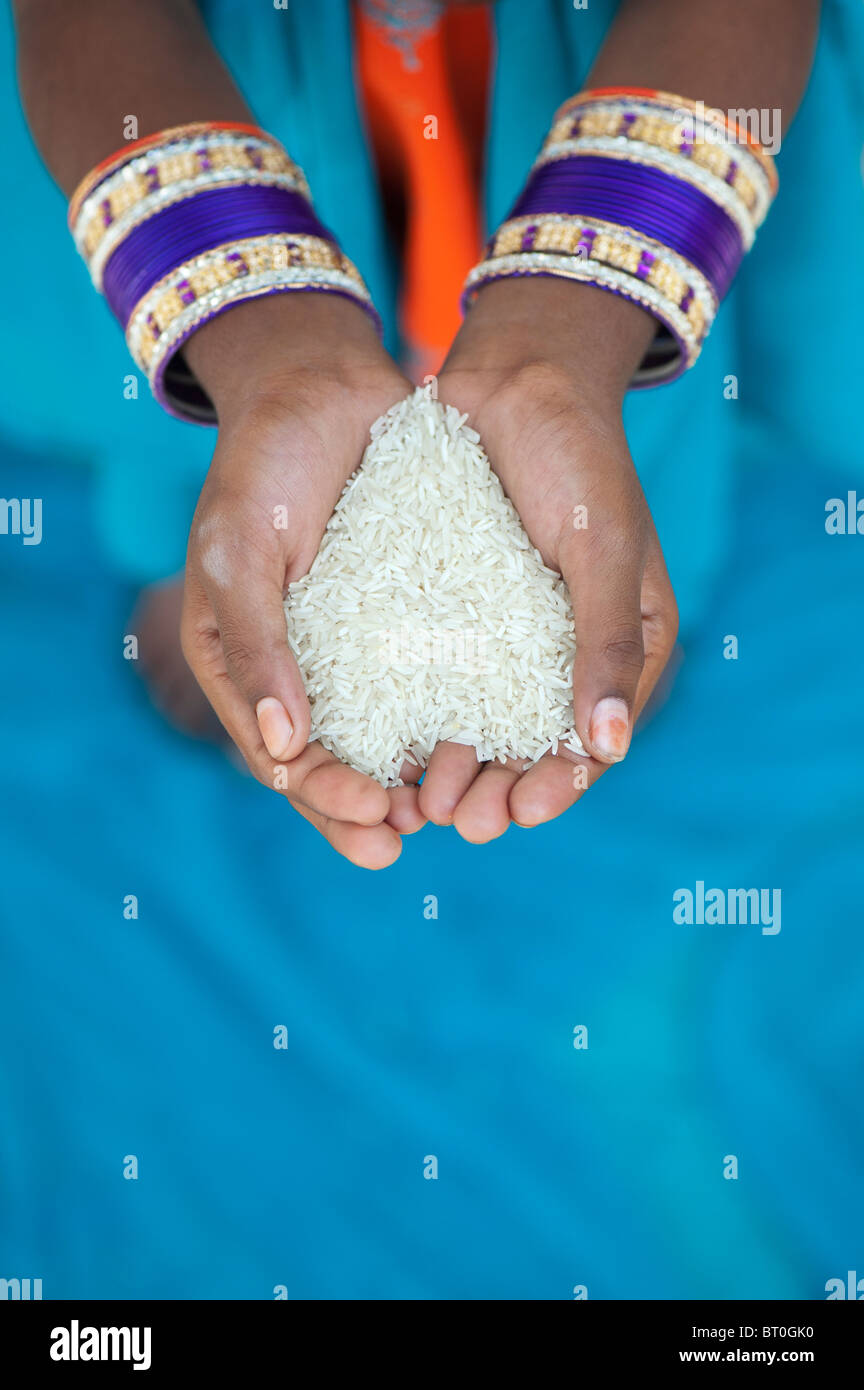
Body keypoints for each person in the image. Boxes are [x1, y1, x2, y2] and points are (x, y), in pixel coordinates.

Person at [7, 0, 836, 869]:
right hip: (212, 63)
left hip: (614, 50)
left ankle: (613, 517)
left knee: (599, 379)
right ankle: (206, 496)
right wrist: (274, 355)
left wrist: (562, 339)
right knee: (219, 365)